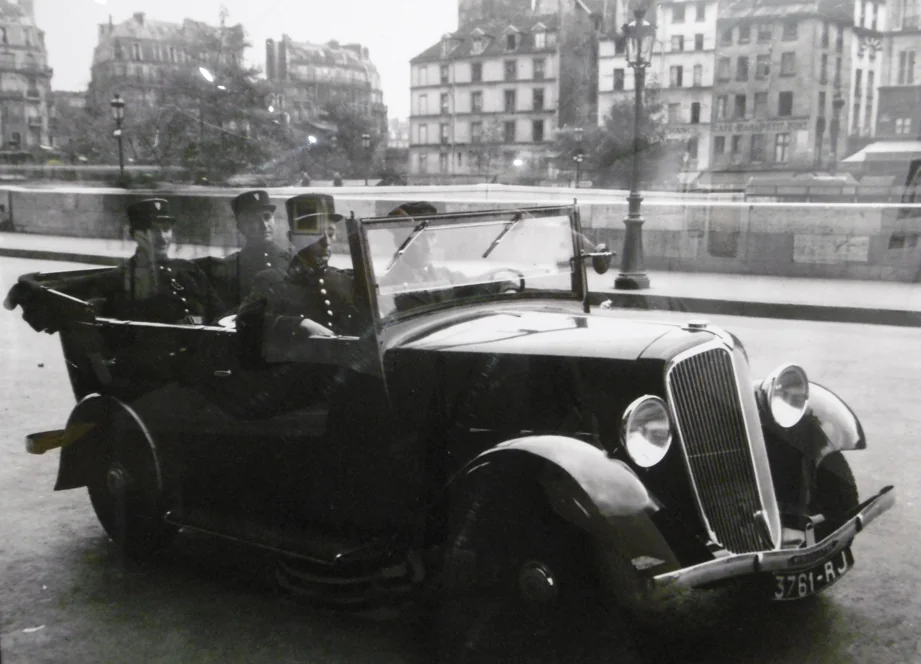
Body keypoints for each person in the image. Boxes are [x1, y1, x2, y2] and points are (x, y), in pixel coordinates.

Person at [236, 193, 359, 360]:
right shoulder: (272, 280)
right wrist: (299, 324)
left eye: (331, 233)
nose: (327, 242)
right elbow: (246, 320)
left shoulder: (343, 278)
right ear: (293, 238)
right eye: (317, 234)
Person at [86, 198, 226, 325]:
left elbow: (219, 313)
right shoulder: (124, 279)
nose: (162, 238)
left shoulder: (189, 269)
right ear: (136, 234)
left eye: (166, 229)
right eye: (153, 230)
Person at [215, 189, 292, 307]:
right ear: (240, 227)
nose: (264, 225)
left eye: (267, 217)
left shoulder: (291, 262)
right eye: (253, 220)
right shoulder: (230, 268)